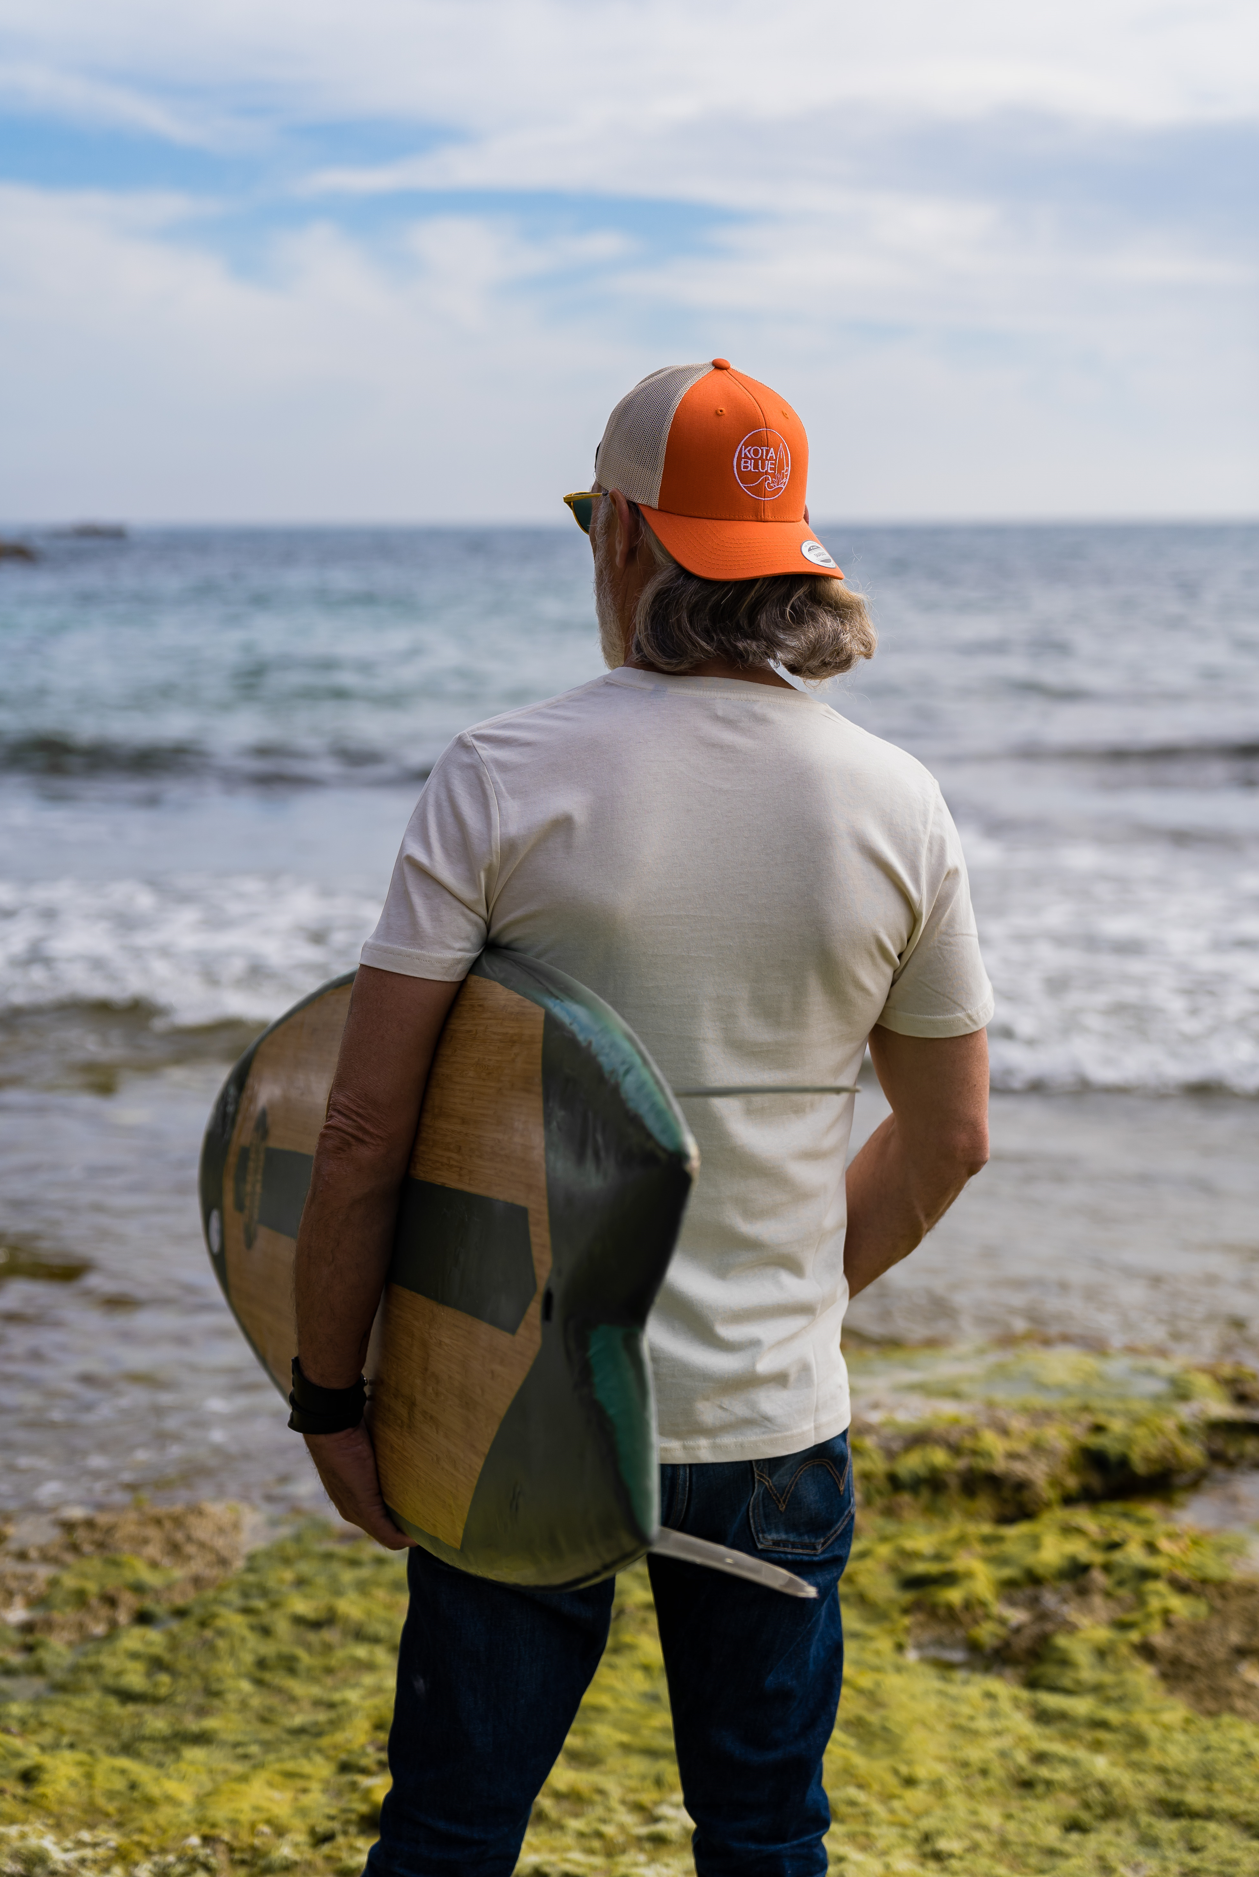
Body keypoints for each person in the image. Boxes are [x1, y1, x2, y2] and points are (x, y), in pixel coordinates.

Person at [291, 358, 992, 1875]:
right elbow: (948, 1141)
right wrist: (788, 1302)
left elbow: (358, 1131)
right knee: (762, 1832)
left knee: (455, 1829)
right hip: (772, 1423)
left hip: (513, 1409)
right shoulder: (897, 800)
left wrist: (330, 1400)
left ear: (618, 532)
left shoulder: (502, 776)